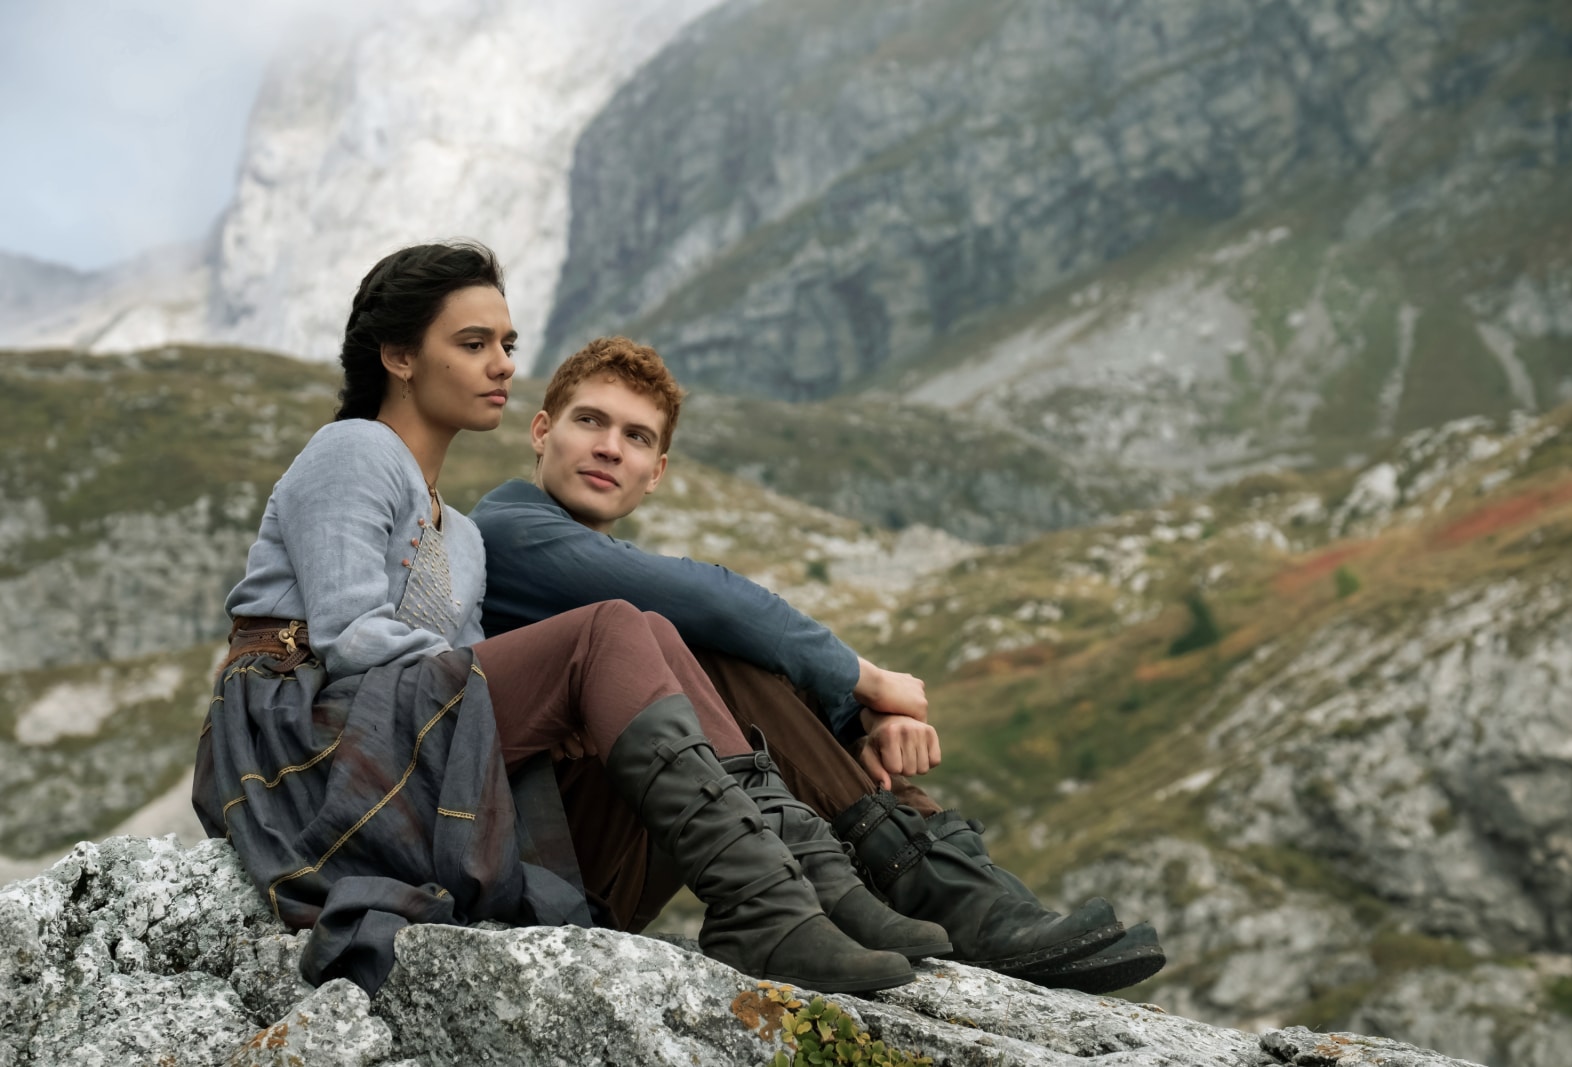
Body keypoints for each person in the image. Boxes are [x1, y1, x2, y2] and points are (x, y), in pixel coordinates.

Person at [190, 243, 948, 997]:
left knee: (650, 637)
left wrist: (556, 705)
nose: (502, 366)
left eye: (508, 345)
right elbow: (351, 635)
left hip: (405, 736)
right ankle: (767, 902)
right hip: (304, 736)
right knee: (607, 628)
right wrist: (554, 684)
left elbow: (466, 676)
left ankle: (804, 887)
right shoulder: (354, 448)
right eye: (474, 344)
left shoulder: (463, 535)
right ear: (399, 356)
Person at [469, 336, 1166, 993]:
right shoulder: (505, 530)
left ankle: (931, 880)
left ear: (657, 473)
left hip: (610, 854)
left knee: (693, 642)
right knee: (696, 637)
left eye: (637, 437)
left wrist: (858, 725)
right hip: (545, 862)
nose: (609, 447)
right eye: (590, 421)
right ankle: (929, 881)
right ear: (542, 431)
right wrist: (870, 683)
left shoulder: (587, 559)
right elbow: (711, 599)